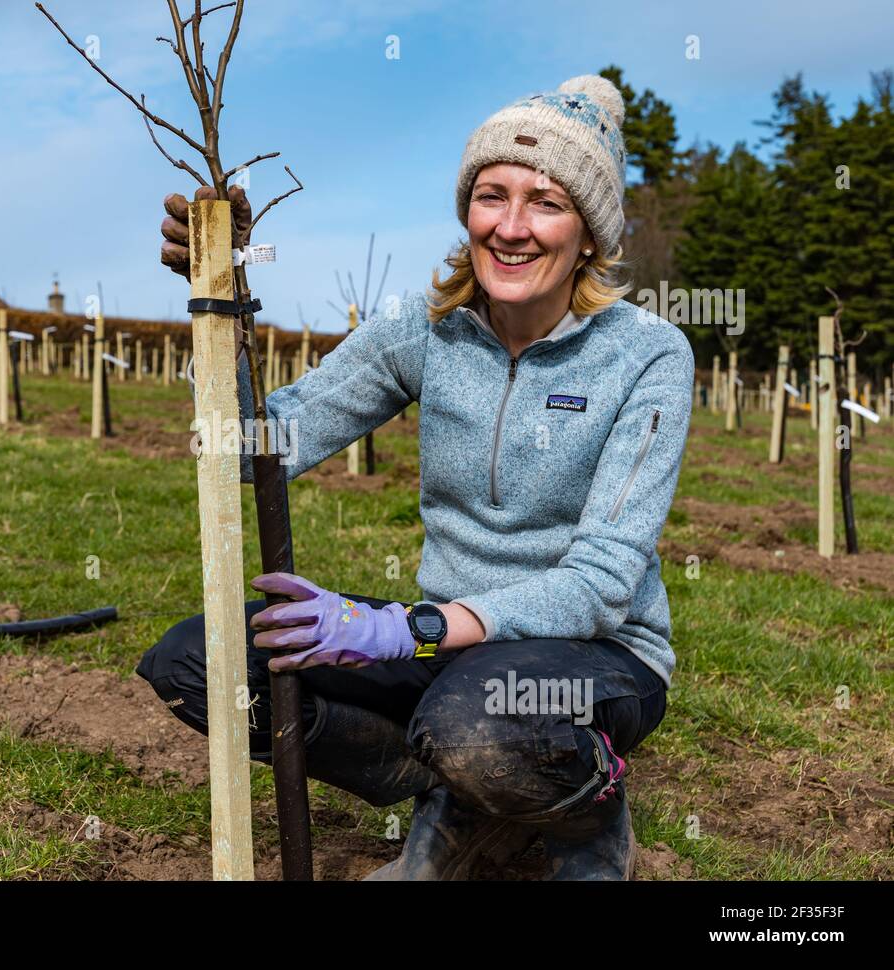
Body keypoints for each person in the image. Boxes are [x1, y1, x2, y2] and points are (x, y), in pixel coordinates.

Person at [137, 74, 692, 880]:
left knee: (476, 718)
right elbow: (257, 444)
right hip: (451, 654)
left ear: (590, 234)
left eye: (546, 202)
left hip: (596, 654)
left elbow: (603, 583)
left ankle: (589, 811)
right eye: (490, 195)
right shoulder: (424, 331)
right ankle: (457, 793)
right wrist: (218, 302)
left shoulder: (645, 355)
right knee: (203, 661)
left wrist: (411, 629)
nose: (510, 228)